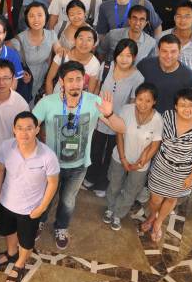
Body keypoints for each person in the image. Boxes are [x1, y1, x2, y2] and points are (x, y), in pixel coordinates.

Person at [33, 61, 125, 249]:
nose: (75, 84)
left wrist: (109, 114)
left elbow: (121, 128)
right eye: (70, 80)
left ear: (84, 80)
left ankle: (61, 227)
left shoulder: (94, 101)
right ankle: (39, 222)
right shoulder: (47, 103)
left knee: (68, 201)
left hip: (79, 165)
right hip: (51, 166)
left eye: (78, 79)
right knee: (45, 198)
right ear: (61, 82)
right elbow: (29, 126)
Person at [0, 111, 59, 282]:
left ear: (37, 129)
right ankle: (11, 253)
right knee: (8, 231)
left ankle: (20, 264)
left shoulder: (48, 156)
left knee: (26, 241)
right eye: (19, 128)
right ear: (14, 129)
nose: (24, 133)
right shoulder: (6, 146)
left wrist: (42, 208)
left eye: (29, 128)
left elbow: (53, 183)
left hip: (30, 209)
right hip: (6, 202)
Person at [142, 88, 192, 242]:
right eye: (182, 105)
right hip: (161, 166)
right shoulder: (167, 116)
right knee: (155, 200)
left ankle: (158, 222)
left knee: (171, 199)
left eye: (191, 105)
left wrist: (191, 177)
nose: (187, 109)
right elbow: (156, 138)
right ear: (175, 106)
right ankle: (152, 215)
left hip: (182, 172)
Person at [85, 39, 144, 196]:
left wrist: (123, 124)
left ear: (134, 57)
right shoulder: (106, 66)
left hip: (117, 122)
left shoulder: (138, 78)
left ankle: (102, 183)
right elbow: (96, 88)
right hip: (98, 119)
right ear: (115, 55)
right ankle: (90, 176)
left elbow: (133, 104)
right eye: (121, 55)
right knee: (95, 149)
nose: (124, 59)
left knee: (110, 154)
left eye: (128, 56)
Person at [103, 83, 163, 231]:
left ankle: (118, 214)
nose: (143, 104)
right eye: (140, 99)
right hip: (119, 156)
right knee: (114, 184)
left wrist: (141, 162)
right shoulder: (126, 110)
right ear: (135, 98)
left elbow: (155, 145)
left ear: (154, 102)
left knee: (131, 190)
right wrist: (123, 158)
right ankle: (110, 208)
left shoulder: (158, 119)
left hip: (141, 163)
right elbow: (119, 134)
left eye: (148, 101)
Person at [137, 34, 192, 113]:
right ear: (158, 51)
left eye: (173, 52)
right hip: (144, 115)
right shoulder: (145, 65)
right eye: (164, 51)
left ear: (180, 52)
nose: (168, 56)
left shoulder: (188, 77)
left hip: (172, 119)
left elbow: (189, 106)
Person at [9, 2, 58, 100]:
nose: (36, 19)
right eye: (31, 16)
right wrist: (19, 71)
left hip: (42, 80)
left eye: (40, 15)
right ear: (26, 19)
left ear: (46, 17)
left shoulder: (51, 35)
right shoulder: (19, 40)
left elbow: (59, 50)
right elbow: (4, 56)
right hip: (25, 82)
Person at [162, 2, 192, 80]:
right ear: (174, 18)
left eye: (187, 16)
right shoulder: (161, 37)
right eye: (179, 16)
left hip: (186, 85)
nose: (182, 20)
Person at [45, 26, 101, 94]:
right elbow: (49, 80)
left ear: (94, 44)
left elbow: (90, 93)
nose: (84, 43)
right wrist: (50, 99)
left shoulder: (95, 64)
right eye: (81, 38)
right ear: (74, 40)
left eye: (89, 40)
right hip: (57, 96)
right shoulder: (62, 55)